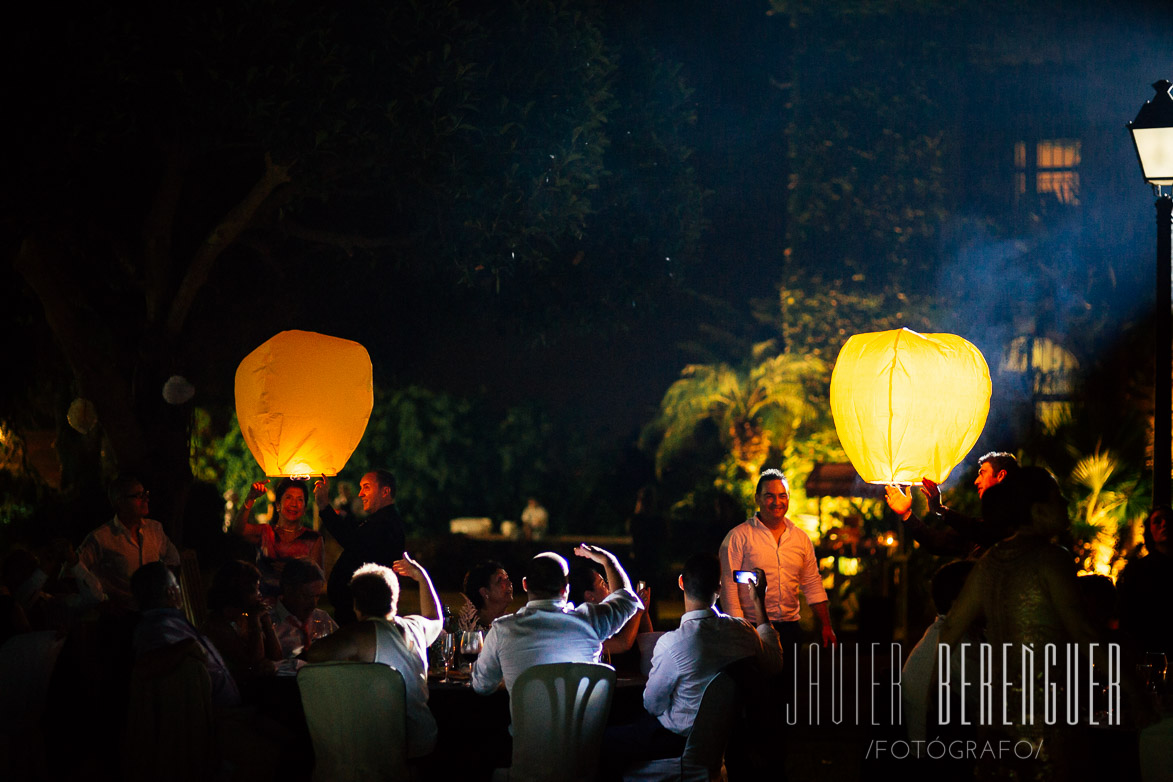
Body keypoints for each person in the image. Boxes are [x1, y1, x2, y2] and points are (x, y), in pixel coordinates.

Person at [607, 552, 783, 770]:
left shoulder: (673, 643)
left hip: (676, 740)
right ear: (719, 589)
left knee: (599, 742)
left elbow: (652, 705)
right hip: (724, 741)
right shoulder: (743, 631)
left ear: (681, 582)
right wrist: (759, 603)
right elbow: (774, 663)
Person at [304, 556, 443, 760]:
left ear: (355, 604)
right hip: (424, 738)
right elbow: (436, 620)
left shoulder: (360, 634)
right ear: (395, 598)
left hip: (386, 746)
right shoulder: (415, 626)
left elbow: (314, 654)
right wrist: (422, 577)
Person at [472, 545, 641, 696]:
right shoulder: (590, 621)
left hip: (528, 732)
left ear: (525, 585)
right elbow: (626, 598)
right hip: (584, 731)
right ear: (565, 587)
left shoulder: (502, 630)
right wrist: (609, 561)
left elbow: (482, 686)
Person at [718, 469, 835, 647]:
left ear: (788, 498)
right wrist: (738, 630)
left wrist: (826, 625)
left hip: (790, 628)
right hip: (751, 627)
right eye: (769, 496)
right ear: (757, 499)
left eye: (782, 496)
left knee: (790, 675)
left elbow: (812, 583)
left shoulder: (801, 539)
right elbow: (729, 588)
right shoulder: (738, 537)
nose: (777, 502)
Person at [130, 561, 241, 708]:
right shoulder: (159, 627)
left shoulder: (172, 622)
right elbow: (146, 665)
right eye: (177, 585)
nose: (179, 589)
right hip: (216, 719)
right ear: (170, 592)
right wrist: (188, 646)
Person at [884, 451, 1019, 557]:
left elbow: (981, 530)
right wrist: (907, 514)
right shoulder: (980, 526)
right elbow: (937, 542)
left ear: (1001, 475)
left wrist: (942, 510)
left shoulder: (1018, 522)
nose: (976, 481)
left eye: (982, 474)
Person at [314, 470, 405, 625]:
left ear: (385, 491)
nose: (361, 494)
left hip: (362, 616)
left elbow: (351, 540)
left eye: (366, 487)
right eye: (361, 488)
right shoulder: (378, 520)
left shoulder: (386, 523)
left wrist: (324, 507)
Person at [79, 476, 180, 611]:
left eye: (145, 494)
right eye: (138, 496)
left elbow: (173, 558)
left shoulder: (154, 529)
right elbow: (74, 569)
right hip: (120, 615)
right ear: (119, 502)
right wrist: (101, 598)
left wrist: (159, 586)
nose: (145, 499)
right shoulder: (100, 538)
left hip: (152, 611)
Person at [201, 560, 283, 688]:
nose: (260, 595)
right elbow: (254, 664)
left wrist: (266, 622)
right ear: (241, 592)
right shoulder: (217, 625)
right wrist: (255, 621)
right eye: (256, 589)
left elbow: (276, 657)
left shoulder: (244, 617)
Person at [233, 478, 324, 590]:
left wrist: (295, 572)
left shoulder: (313, 539)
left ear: (305, 508)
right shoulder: (265, 532)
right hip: (265, 604)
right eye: (288, 498)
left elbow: (318, 580)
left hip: (297, 605)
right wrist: (250, 498)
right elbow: (239, 530)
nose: (294, 504)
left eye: (300, 499)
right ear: (277, 505)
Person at [1116, 506, 1173, 667]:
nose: (1164, 525)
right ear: (1150, 530)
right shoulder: (1137, 570)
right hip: (1146, 649)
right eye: (1157, 521)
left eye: (1169, 520)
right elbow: (1127, 614)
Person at [568, 563, 652, 666]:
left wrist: (644, 613)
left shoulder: (617, 615)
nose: (608, 586)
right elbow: (623, 643)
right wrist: (638, 611)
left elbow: (650, 643)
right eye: (603, 584)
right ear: (590, 596)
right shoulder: (585, 626)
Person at [269, 559, 337, 659]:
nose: (313, 604)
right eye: (306, 596)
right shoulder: (269, 622)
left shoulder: (322, 619)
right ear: (288, 589)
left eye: (317, 596)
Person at [459, 560, 514, 633]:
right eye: (499, 580)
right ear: (484, 592)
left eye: (507, 578)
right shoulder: (470, 629)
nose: (509, 583)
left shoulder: (514, 624)